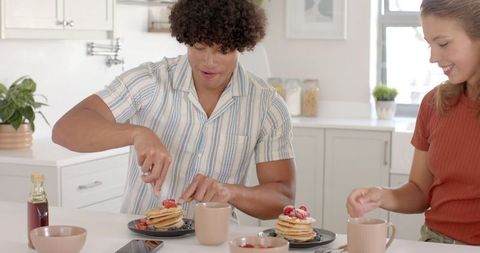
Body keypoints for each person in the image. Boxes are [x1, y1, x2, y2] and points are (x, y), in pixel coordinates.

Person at [52, 0, 295, 220]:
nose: (209, 61)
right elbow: (65, 130)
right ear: (186, 39)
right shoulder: (149, 81)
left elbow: (282, 200)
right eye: (200, 47)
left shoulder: (267, 106)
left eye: (222, 50)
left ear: (240, 46)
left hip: (215, 242)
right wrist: (137, 133)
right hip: (144, 239)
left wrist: (229, 192)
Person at [346, 0, 480, 245]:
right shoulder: (434, 104)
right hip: (432, 242)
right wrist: (381, 196)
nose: (432, 57)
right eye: (430, 44)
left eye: (443, 44)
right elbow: (420, 191)